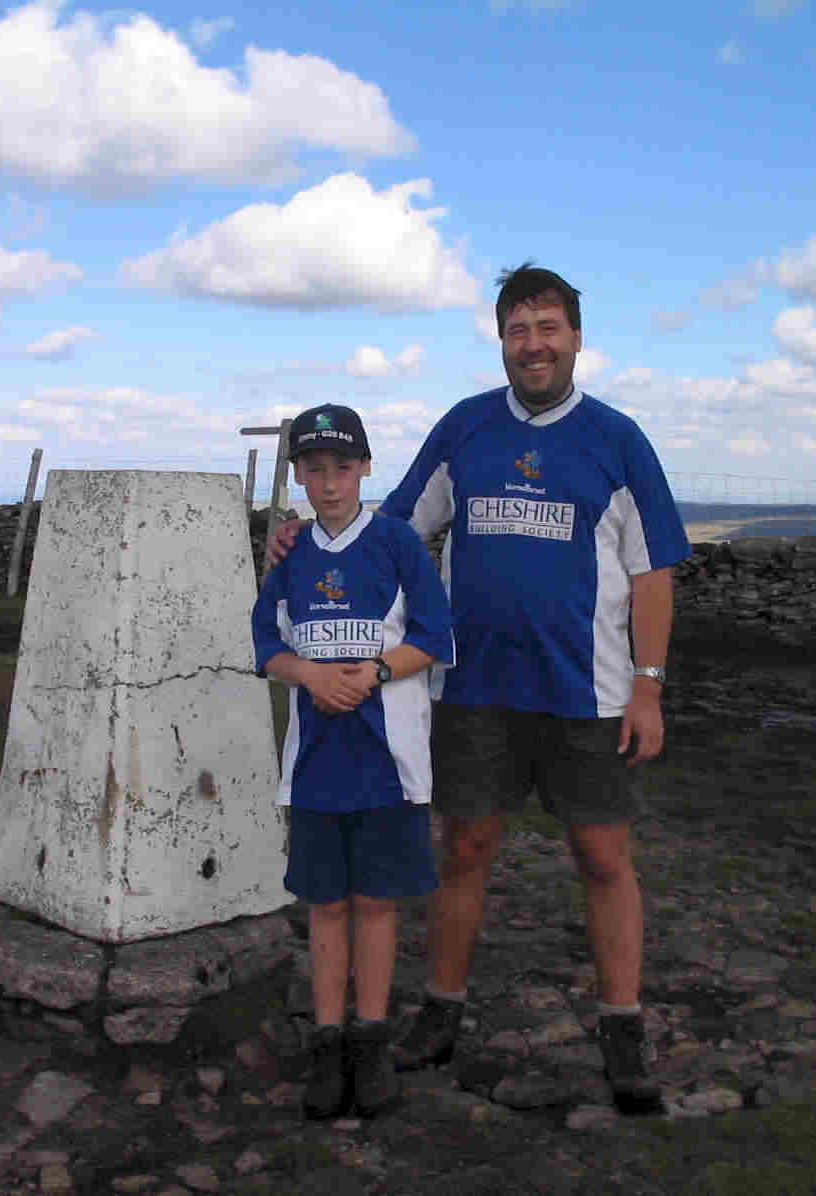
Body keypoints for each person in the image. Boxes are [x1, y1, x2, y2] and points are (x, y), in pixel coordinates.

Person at [270, 264, 690, 1113]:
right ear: (500, 340)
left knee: (604, 858)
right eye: (517, 329)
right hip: (474, 691)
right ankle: (441, 1013)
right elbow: (387, 530)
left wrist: (648, 686)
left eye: (547, 327)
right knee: (463, 851)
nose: (533, 344)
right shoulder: (465, 430)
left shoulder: (618, 440)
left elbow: (653, 572)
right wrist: (305, 542)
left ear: (576, 335)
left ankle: (623, 1032)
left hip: (591, 693)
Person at [252, 403, 455, 1120]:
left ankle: (371, 1040)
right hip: (314, 767)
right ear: (299, 474)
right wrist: (309, 676)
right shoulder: (291, 555)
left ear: (366, 466)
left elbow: (433, 635)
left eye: (343, 466)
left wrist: (369, 671)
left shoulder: (397, 545)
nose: (330, 482)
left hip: (391, 762)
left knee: (375, 903)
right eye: (314, 469)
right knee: (326, 907)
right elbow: (266, 645)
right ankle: (328, 1042)